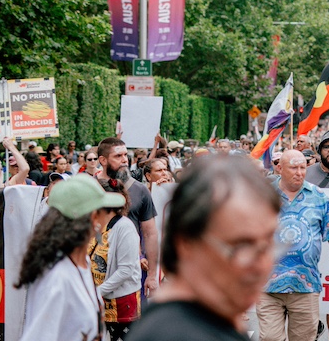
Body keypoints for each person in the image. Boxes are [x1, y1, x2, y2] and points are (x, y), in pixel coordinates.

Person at [125, 156, 281, 341]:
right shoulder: (175, 334)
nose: (262, 265)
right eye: (241, 246)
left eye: (268, 245)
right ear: (187, 244)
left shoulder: (210, 319)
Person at [17, 174, 127, 341]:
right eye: (106, 209)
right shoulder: (57, 277)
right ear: (93, 218)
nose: (110, 214)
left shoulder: (81, 262)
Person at [259, 149, 329, 341]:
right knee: (269, 338)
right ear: (280, 168)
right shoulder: (263, 195)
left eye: (302, 167)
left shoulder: (318, 197)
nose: (299, 172)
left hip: (305, 285)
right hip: (268, 285)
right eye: (293, 168)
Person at [97, 137, 160, 296]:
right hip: (94, 275)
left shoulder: (140, 190)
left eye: (125, 155)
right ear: (103, 160)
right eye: (118, 156)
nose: (124, 160)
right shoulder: (89, 188)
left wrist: (152, 276)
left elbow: (150, 233)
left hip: (129, 278)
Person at [90, 177, 142, 341]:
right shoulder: (98, 225)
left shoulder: (124, 227)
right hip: (101, 301)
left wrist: (97, 292)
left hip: (121, 303)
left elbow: (125, 270)